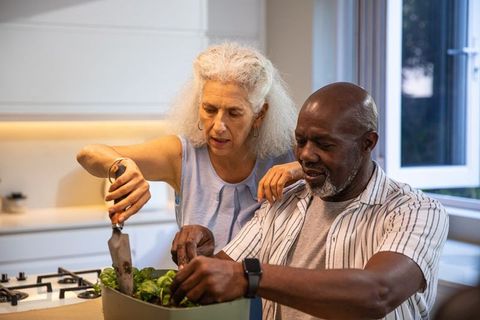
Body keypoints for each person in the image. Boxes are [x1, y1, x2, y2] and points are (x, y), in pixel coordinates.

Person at [169, 82, 449, 320]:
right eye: (300, 141)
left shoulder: (415, 211)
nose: (305, 155)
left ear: (368, 143)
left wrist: (249, 277)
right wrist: (201, 251)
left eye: (324, 145)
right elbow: (225, 269)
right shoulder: (283, 203)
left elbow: (378, 292)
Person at [76, 42, 302, 255]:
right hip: (201, 295)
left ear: (260, 115)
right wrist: (120, 164)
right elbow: (88, 154)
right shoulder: (181, 155)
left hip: (270, 296)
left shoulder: (288, 153)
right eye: (209, 109)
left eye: (234, 113)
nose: (218, 126)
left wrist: (301, 170)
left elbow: (336, 178)